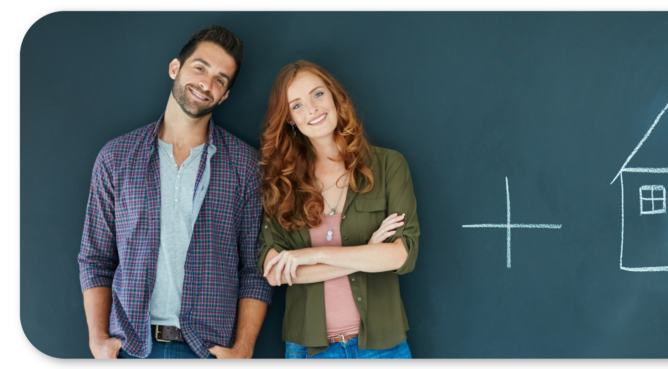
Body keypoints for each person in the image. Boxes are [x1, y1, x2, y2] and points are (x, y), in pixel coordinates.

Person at [77, 25, 272, 359]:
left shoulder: (245, 165)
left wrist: (244, 348)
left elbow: (255, 270)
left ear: (225, 95)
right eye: (200, 68)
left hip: (207, 351)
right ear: (175, 68)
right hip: (131, 348)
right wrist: (97, 339)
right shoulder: (116, 157)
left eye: (221, 80)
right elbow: (95, 258)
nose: (207, 84)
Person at [257, 60, 419, 359]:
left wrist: (314, 255)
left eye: (318, 95)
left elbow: (400, 255)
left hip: (383, 347)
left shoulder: (389, 166)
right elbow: (276, 273)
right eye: (297, 105)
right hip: (310, 350)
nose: (312, 109)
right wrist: (367, 254)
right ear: (290, 118)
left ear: (333, 96)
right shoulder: (280, 184)